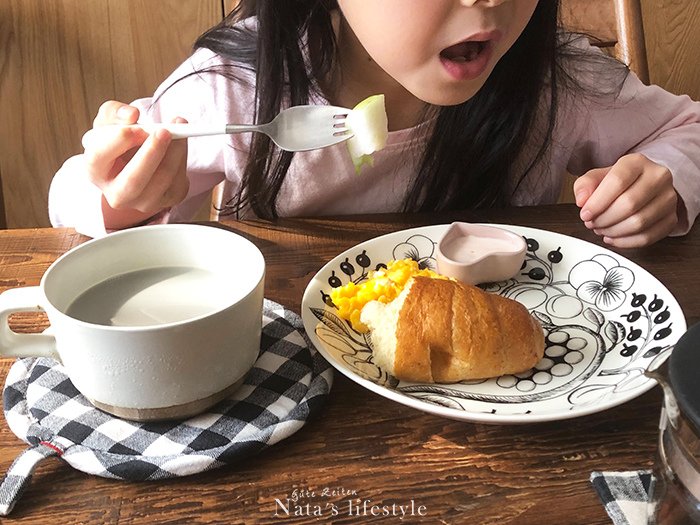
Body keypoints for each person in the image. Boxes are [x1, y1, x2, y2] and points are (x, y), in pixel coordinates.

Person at [48, 0, 700, 248]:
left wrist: (666, 180)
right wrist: (115, 196)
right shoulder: (236, 91)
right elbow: (71, 201)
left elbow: (688, 129)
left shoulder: (556, 84)